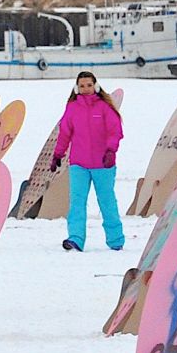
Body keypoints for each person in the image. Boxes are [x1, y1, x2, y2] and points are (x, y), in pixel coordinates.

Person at [51, 71, 125, 252]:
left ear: (96, 86)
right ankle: (75, 238)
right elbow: (65, 134)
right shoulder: (72, 108)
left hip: (103, 164)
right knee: (77, 201)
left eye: (89, 85)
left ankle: (115, 239)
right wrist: (57, 155)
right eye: (82, 86)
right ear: (77, 88)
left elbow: (115, 132)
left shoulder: (104, 108)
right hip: (79, 164)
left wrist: (110, 150)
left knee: (107, 201)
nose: (86, 89)